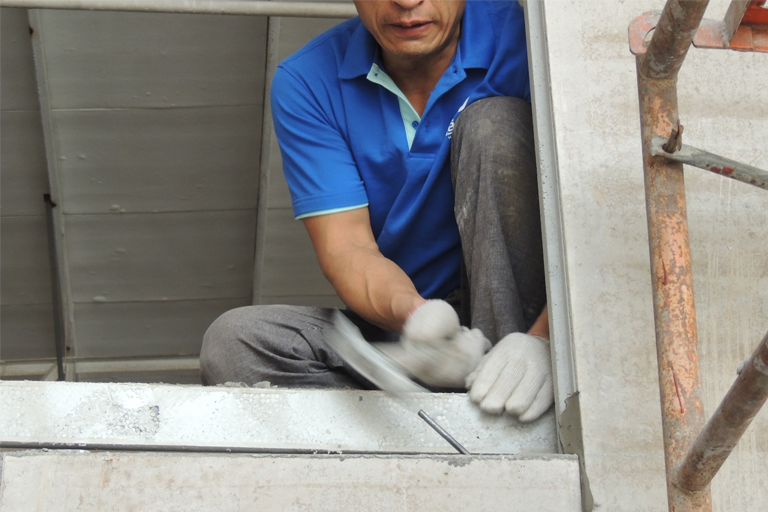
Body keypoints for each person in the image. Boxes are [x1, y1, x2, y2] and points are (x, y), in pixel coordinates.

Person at [201, 0, 553, 423]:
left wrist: (547, 340)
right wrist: (417, 317)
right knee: (236, 342)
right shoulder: (308, 79)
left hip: (531, 319)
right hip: (418, 336)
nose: (406, 1)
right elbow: (348, 247)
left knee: (494, 124)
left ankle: (508, 383)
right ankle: (435, 430)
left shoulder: (534, 39)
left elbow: (603, 216)